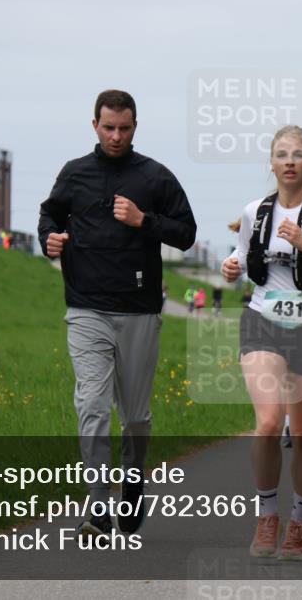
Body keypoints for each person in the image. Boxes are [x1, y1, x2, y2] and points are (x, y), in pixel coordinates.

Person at [38, 89, 197, 543]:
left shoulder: (154, 177)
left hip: (139, 310)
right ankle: (98, 506)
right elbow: (49, 216)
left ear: (135, 127)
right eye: (108, 127)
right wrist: (49, 239)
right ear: (94, 126)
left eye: (124, 128)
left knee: (136, 417)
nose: (116, 136)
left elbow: (186, 233)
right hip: (85, 308)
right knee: (90, 404)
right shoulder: (75, 174)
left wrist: (144, 221)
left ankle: (132, 480)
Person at [221, 125, 302, 561]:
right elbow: (242, 254)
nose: (290, 161)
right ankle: (267, 515)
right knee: (266, 423)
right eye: (282, 154)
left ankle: (300, 519)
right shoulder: (255, 211)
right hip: (263, 321)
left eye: (299, 154)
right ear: (272, 162)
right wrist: (231, 265)